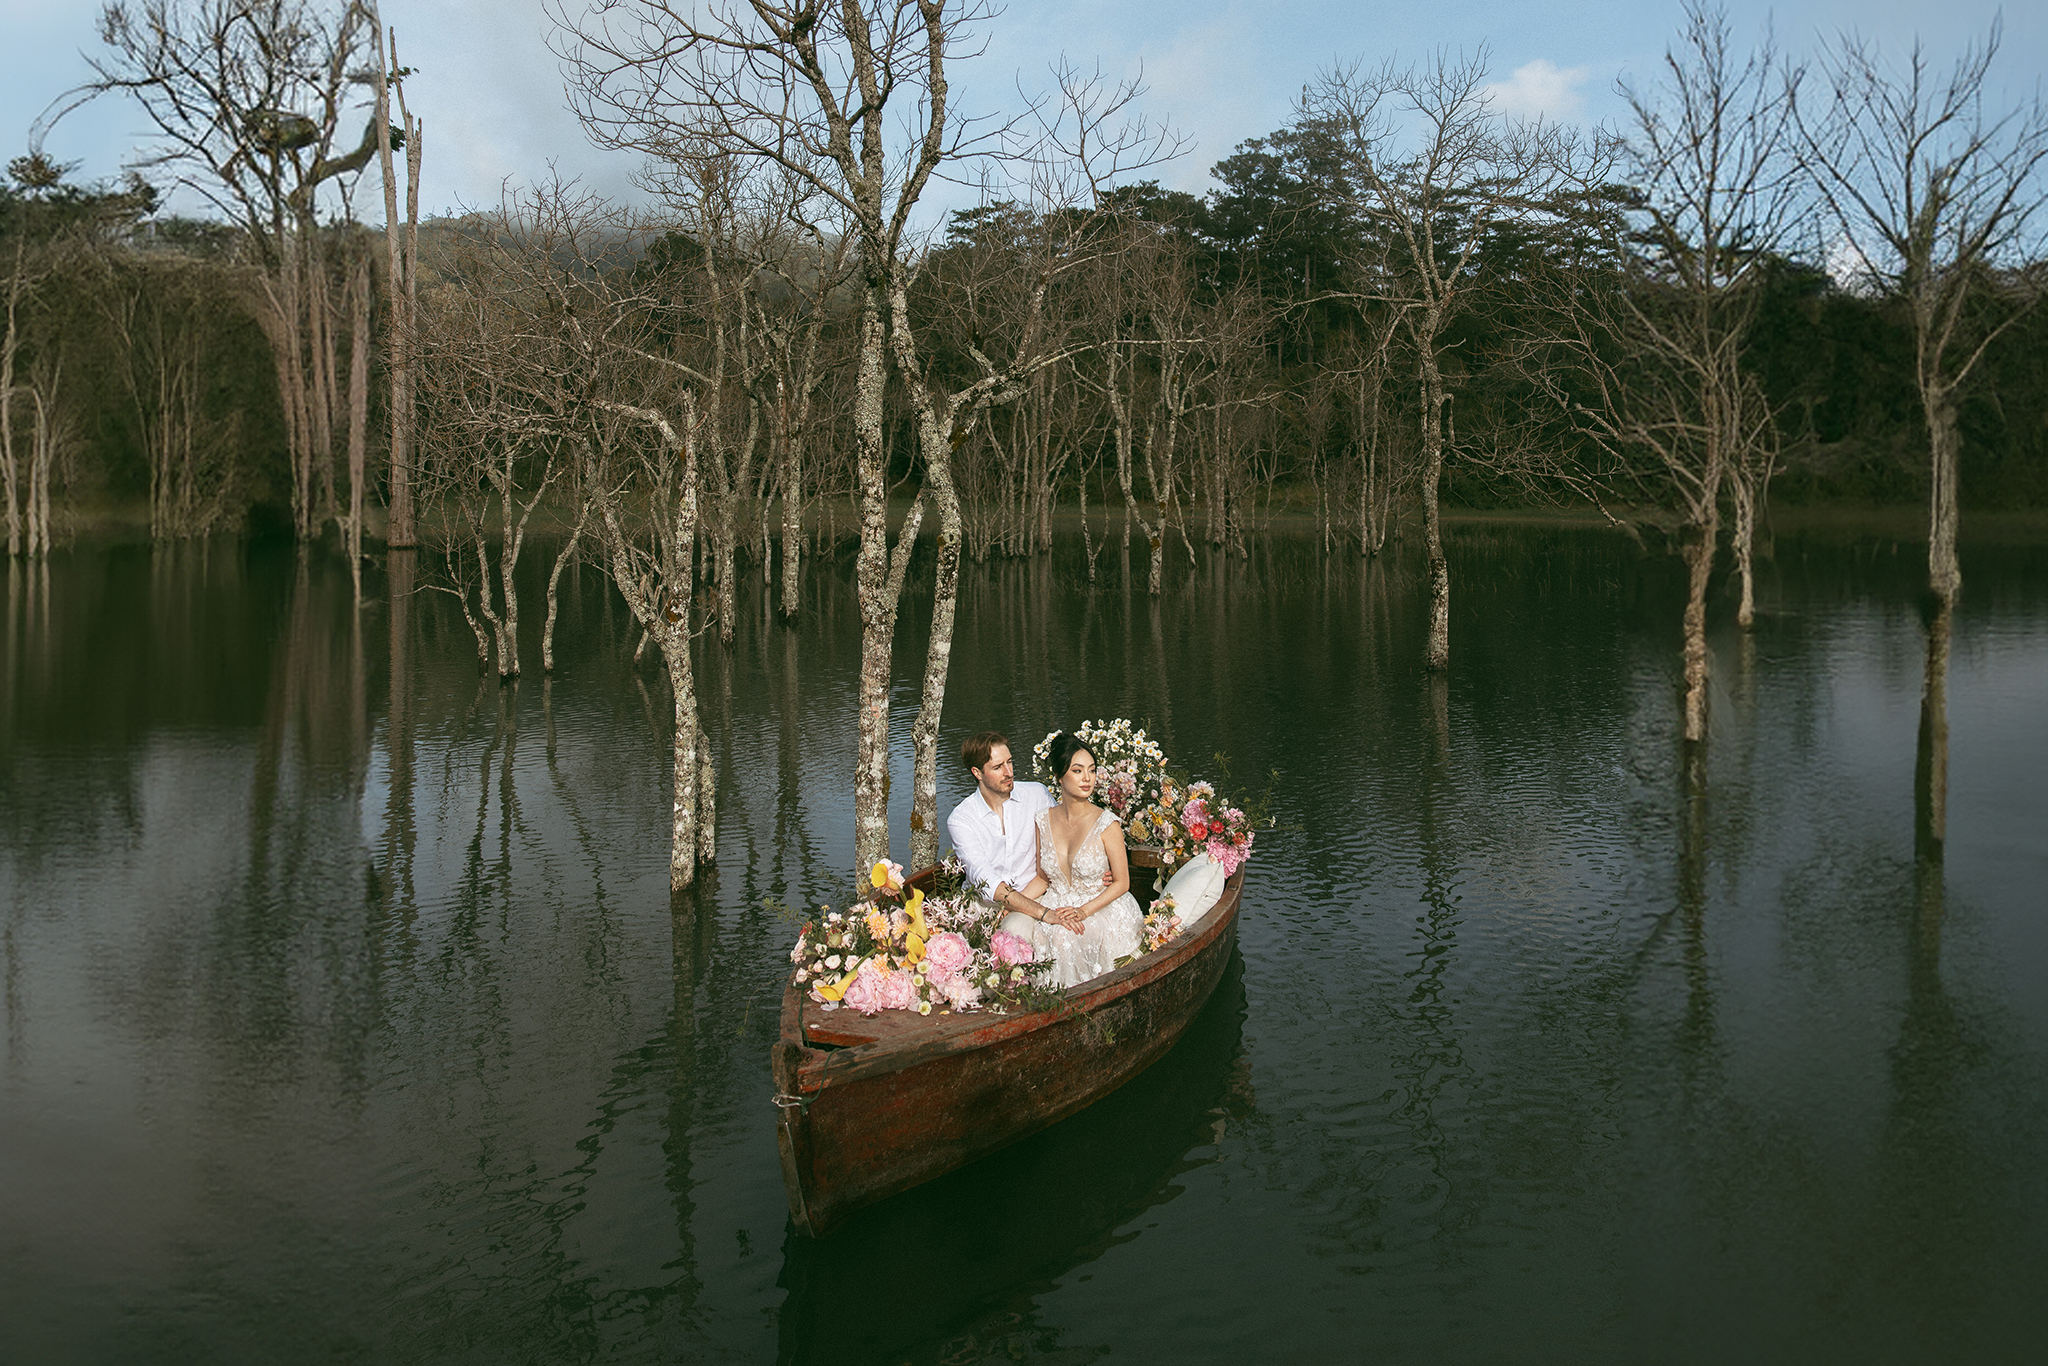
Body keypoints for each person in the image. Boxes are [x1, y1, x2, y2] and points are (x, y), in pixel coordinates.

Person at [1000, 732, 1145, 989]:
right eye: (1077, 770)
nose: (1087, 778)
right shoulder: (1043, 819)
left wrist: (1084, 911)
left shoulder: (1107, 823)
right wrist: (1016, 903)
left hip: (1099, 906)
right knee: (1043, 933)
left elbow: (1122, 883)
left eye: (1092, 770)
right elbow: (1043, 878)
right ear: (1059, 776)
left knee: (1063, 937)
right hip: (1057, 903)